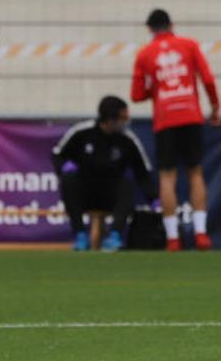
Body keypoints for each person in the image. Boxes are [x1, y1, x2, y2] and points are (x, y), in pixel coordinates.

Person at [130, 8, 220, 251]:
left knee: (167, 177)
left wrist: (157, 89)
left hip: (165, 119)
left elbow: (136, 95)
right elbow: (208, 79)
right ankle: (201, 234)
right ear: (171, 24)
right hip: (190, 114)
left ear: (149, 29)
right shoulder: (189, 45)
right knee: (195, 172)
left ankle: (172, 238)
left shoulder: (144, 53)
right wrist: (215, 107)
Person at [52, 96, 156, 252]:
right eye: (123, 118)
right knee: (68, 180)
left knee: (126, 184)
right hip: (85, 193)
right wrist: (63, 166)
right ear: (110, 119)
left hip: (111, 195)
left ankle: (114, 236)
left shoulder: (127, 139)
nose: (126, 122)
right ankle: (80, 235)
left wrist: (153, 198)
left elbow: (142, 171)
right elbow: (57, 154)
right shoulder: (82, 133)